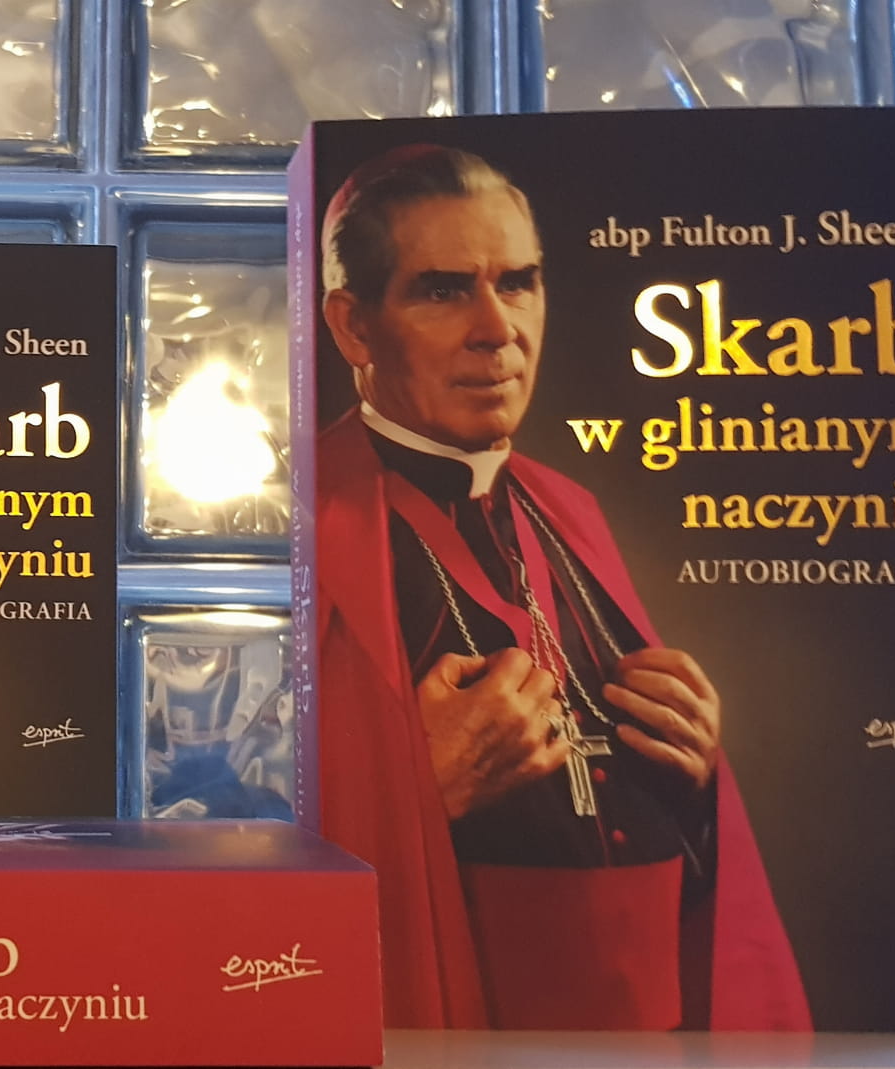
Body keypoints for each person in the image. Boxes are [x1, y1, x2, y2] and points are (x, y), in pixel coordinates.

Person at [311, 144, 809, 1030]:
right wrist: (417, 789)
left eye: (519, 283)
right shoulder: (304, 525)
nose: (497, 328)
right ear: (354, 327)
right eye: (444, 290)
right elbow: (229, 835)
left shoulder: (567, 508)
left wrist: (692, 774)